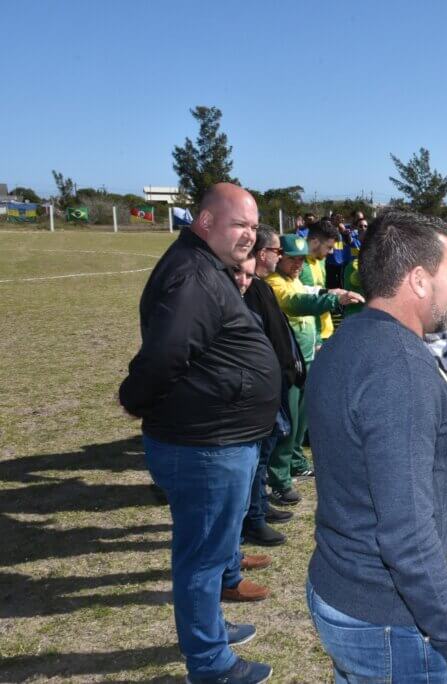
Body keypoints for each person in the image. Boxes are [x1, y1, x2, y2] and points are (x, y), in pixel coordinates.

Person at [305, 210, 447, 684]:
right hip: (384, 617)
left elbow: (362, 437)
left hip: (339, 587)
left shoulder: (350, 336)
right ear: (417, 280)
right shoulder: (400, 365)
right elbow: (408, 538)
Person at [119, 183, 278, 684]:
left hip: (219, 436)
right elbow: (166, 356)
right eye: (240, 225)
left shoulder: (205, 265)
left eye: (255, 227)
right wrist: (134, 399)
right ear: (206, 222)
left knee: (209, 553)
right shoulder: (192, 274)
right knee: (201, 560)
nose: (250, 236)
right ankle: (210, 665)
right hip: (205, 445)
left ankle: (209, 630)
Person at [265, 235, 363, 506]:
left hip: (307, 360)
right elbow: (295, 302)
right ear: (279, 257)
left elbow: (307, 292)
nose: (298, 263)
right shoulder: (274, 283)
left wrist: (327, 294)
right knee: (288, 424)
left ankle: (295, 462)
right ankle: (279, 481)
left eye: (301, 258)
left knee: (302, 421)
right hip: (289, 364)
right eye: (292, 258)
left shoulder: (293, 279)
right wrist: (334, 302)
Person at [240, 227, 309, 547]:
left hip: (276, 379)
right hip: (263, 384)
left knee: (265, 453)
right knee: (258, 454)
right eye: (278, 251)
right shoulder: (252, 288)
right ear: (261, 252)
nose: (281, 257)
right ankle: (252, 517)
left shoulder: (260, 287)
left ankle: (259, 505)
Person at [301, 220, 342, 345]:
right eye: (329, 247)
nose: (331, 252)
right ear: (315, 242)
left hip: (326, 331)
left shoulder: (321, 259)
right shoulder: (297, 262)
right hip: (309, 336)